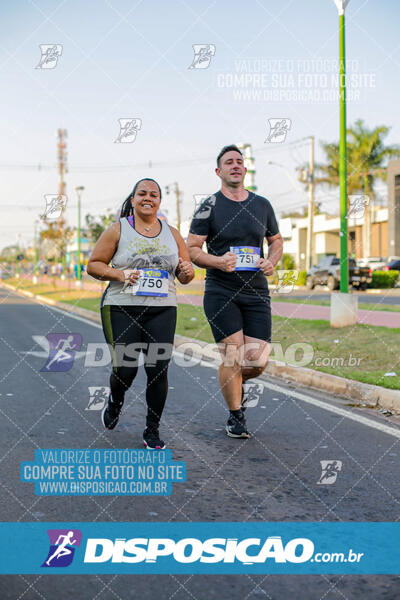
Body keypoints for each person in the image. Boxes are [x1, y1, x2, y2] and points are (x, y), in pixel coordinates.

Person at [87, 178, 194, 449]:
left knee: (158, 370)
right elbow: (93, 265)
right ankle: (115, 399)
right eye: (142, 194)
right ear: (133, 200)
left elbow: (185, 274)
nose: (148, 198)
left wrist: (186, 271)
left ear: (160, 200)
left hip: (162, 308)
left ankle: (152, 430)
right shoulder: (118, 229)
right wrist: (120, 274)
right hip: (122, 306)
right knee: (126, 368)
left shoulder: (173, 233)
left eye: (154, 194)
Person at [187, 145, 283, 439]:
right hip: (221, 290)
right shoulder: (208, 206)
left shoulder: (262, 204)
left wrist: (271, 261)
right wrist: (218, 262)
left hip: (256, 291)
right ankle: (235, 416)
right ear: (219, 171)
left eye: (239, 162)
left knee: (256, 361)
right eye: (229, 162)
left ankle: (234, 382)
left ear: (245, 169)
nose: (235, 166)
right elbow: (192, 248)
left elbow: (276, 240)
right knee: (232, 355)